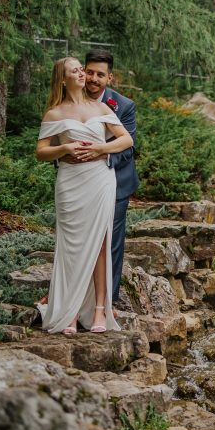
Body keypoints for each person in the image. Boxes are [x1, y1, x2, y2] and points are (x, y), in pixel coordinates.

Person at [35, 56, 134, 335]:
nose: (83, 74)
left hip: (99, 179)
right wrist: (64, 149)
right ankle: (71, 310)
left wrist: (101, 149)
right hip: (70, 182)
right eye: (76, 71)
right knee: (70, 245)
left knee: (101, 245)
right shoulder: (55, 113)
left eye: (82, 69)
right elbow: (41, 151)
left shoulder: (101, 107)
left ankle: (100, 310)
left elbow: (127, 140)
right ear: (63, 79)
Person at [57, 48, 140, 304]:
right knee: (77, 238)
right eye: (89, 72)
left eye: (99, 75)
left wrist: (99, 155)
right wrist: (64, 158)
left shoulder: (123, 106)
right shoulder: (67, 100)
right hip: (77, 182)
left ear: (109, 78)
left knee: (109, 242)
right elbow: (60, 137)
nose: (93, 78)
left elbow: (130, 146)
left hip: (113, 182)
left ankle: (107, 303)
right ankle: (72, 298)